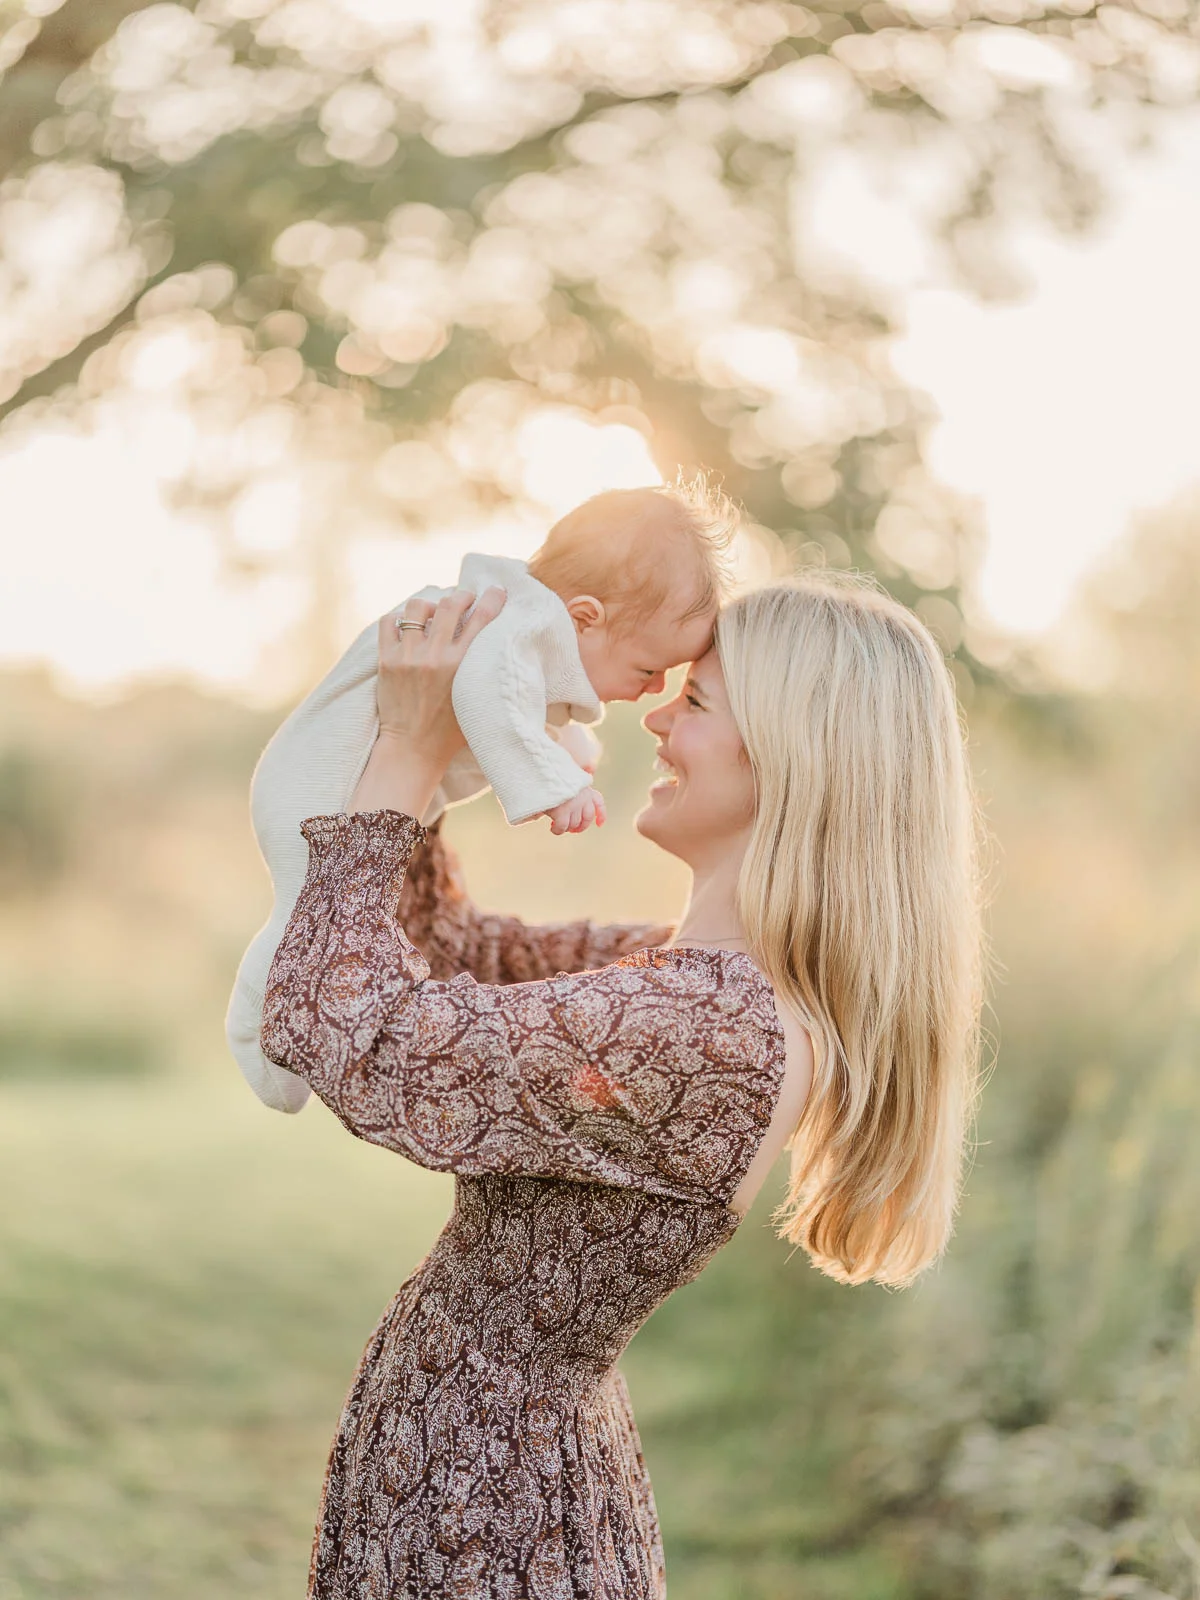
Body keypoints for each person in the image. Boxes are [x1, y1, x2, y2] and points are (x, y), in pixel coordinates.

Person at [259, 569, 984, 1599]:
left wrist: (408, 752)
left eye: (692, 701)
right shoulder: (692, 986)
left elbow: (346, 1031)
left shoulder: (710, 1034)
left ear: (788, 761)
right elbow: (460, 949)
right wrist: (463, 725)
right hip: (478, 1481)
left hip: (491, 1521)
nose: (654, 714)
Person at [228, 478, 733, 1113]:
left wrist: (554, 749)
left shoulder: (528, 630)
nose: (656, 690)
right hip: (315, 794)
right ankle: (258, 1036)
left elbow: (508, 712)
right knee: (305, 912)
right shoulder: (510, 626)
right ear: (583, 618)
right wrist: (550, 786)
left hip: (351, 790)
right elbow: (486, 698)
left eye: (686, 690)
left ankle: (272, 1025)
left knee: (321, 911)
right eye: (647, 670)